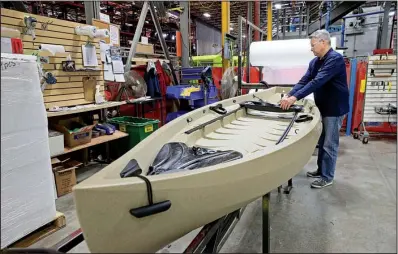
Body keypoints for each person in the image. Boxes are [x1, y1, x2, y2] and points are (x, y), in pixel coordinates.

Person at [280, 29, 349, 189]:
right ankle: (321, 170)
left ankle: (327, 177)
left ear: (323, 42)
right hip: (323, 107)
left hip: (334, 109)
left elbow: (317, 82)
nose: (311, 48)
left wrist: (294, 98)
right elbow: (305, 80)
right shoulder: (315, 62)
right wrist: (289, 94)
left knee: (329, 144)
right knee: (322, 140)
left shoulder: (335, 59)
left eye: (313, 45)